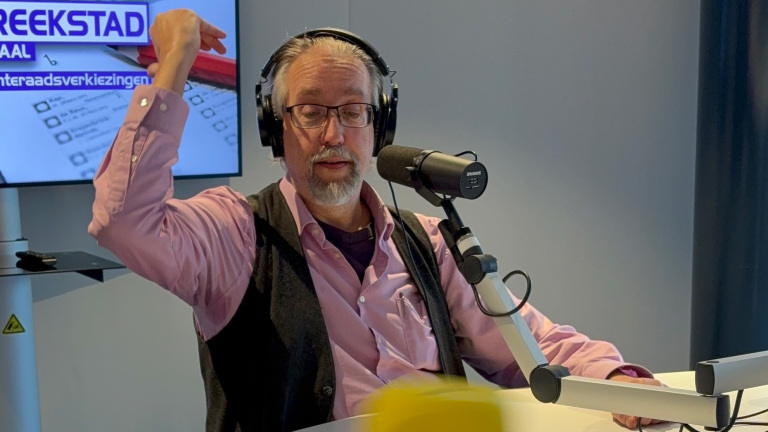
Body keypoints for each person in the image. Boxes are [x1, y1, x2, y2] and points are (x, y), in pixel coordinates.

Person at [89, 8, 664, 432]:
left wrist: (616, 380)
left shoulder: (428, 240)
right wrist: (175, 65)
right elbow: (124, 223)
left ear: (378, 127)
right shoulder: (235, 232)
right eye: (311, 112)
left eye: (354, 112)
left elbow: (531, 347)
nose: (334, 134)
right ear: (275, 128)